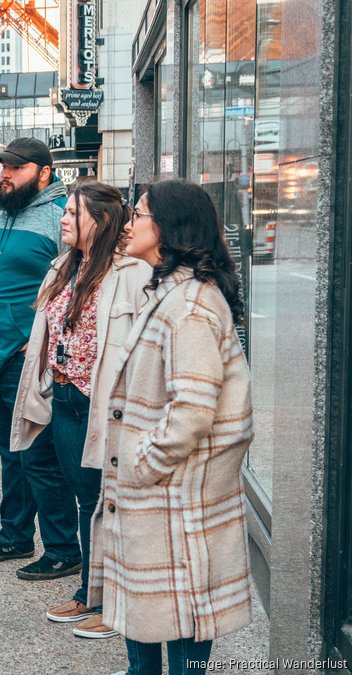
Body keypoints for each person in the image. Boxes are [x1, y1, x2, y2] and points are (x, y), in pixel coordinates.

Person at [91, 179, 254, 675]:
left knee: (181, 622)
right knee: (148, 614)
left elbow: (193, 409)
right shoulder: (168, 291)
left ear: (166, 227)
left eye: (138, 213)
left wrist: (142, 463)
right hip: (157, 497)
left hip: (173, 497)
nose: (129, 223)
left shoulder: (190, 306)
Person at [10, 181, 152, 639]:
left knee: (103, 502)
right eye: (64, 211)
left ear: (102, 220)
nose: (64, 219)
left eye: (73, 212)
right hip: (64, 397)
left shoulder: (130, 273)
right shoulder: (64, 265)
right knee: (85, 500)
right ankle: (89, 592)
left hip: (103, 404)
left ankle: (111, 602)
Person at [0, 137, 82, 582]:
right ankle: (15, 535)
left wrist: (39, 347)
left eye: (16, 167)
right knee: (7, 451)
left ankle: (63, 548)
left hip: (25, 358)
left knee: (37, 456)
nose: (6, 174)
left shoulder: (59, 218)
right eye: (3, 167)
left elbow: (73, 288)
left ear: (43, 173)